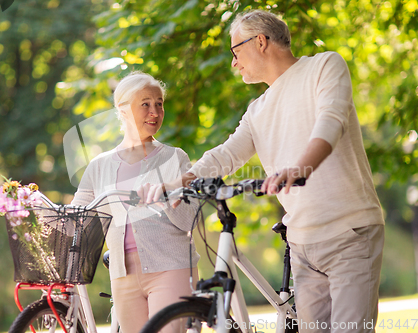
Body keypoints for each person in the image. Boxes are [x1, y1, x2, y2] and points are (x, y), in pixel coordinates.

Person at [139, 9, 385, 333]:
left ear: (260, 42)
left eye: (235, 51)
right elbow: (226, 153)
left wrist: (298, 168)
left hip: (349, 234)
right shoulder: (258, 110)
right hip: (302, 247)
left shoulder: (324, 66)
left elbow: (332, 121)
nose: (233, 63)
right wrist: (180, 181)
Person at [71, 72, 200, 333]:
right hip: (122, 275)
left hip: (171, 268)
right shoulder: (100, 165)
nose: (155, 111)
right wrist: (30, 206)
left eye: (159, 103)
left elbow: (189, 220)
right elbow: (77, 214)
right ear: (123, 109)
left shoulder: (174, 157)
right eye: (145, 104)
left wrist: (165, 195)